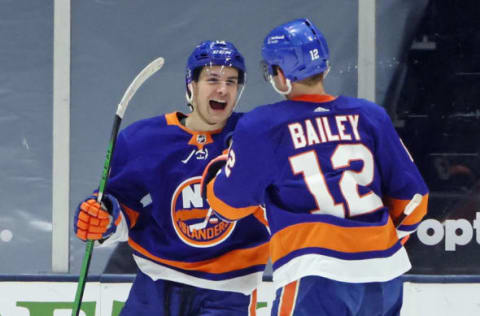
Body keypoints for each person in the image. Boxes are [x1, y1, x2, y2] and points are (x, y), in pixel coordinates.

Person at [204, 18, 429, 315]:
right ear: (324, 65)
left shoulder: (263, 125)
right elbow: (415, 201)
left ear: (280, 74)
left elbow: (228, 204)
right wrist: (375, 241)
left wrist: (218, 169)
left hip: (315, 271)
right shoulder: (370, 116)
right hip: (384, 275)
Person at [74, 40, 270, 316]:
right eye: (213, 79)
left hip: (227, 293)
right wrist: (103, 218)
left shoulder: (255, 136)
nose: (223, 89)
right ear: (191, 85)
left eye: (232, 81)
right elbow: (121, 204)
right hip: (156, 284)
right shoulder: (144, 139)